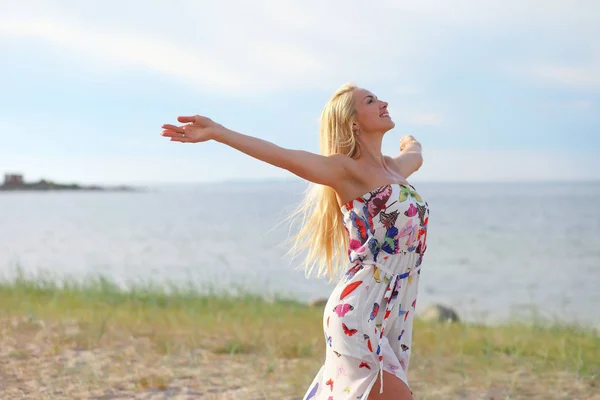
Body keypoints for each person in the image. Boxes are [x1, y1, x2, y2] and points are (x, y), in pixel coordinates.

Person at [161, 83, 429, 400]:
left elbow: (415, 156)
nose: (384, 102)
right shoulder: (346, 171)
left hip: (395, 313)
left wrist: (412, 143)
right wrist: (219, 132)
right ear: (353, 122)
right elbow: (285, 157)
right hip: (360, 311)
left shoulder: (395, 170)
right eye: (371, 101)